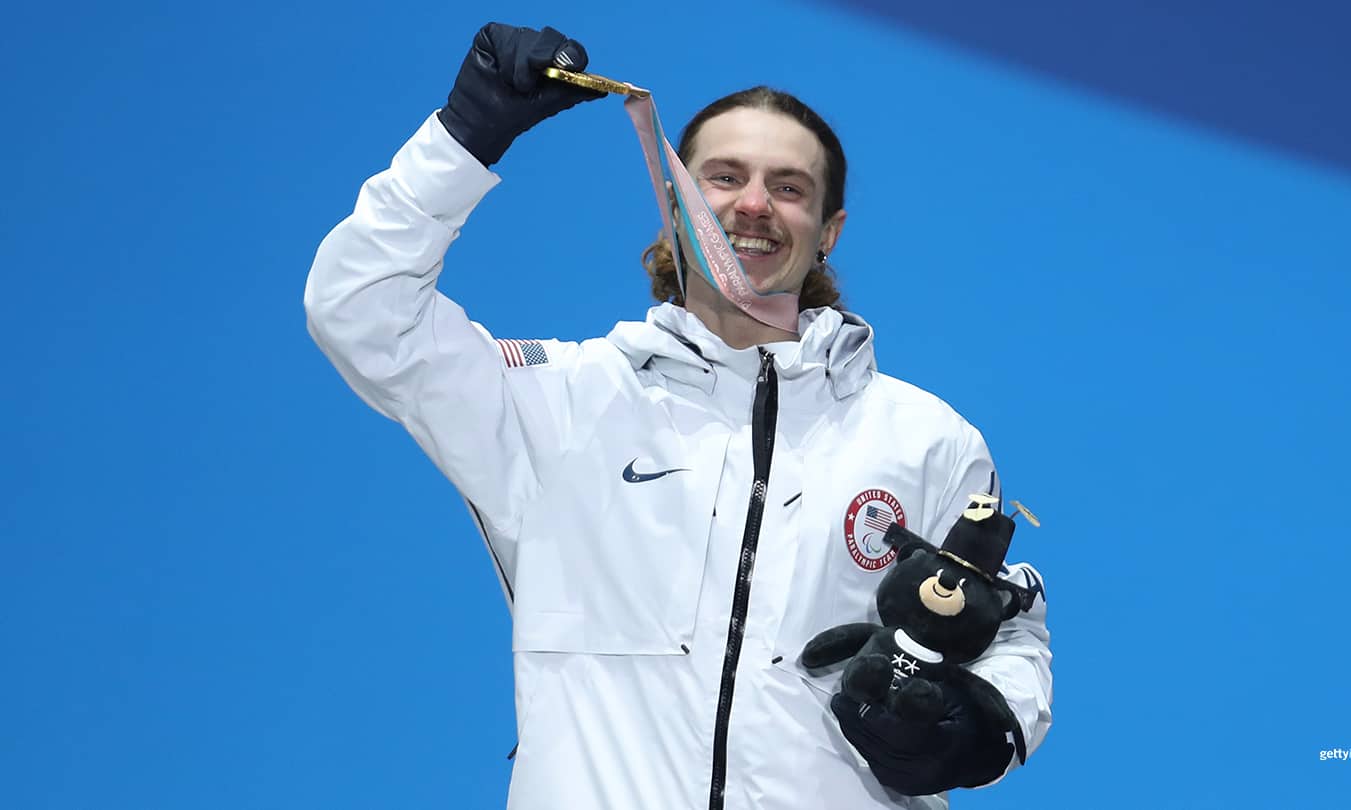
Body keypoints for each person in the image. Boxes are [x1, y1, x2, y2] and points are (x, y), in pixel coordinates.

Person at [304, 21, 1053, 810]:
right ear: (673, 204)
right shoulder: (559, 403)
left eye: (789, 188)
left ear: (829, 230)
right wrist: (462, 137)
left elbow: (1008, 631)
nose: (754, 204)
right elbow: (361, 312)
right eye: (723, 178)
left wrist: (982, 727)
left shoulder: (926, 439)